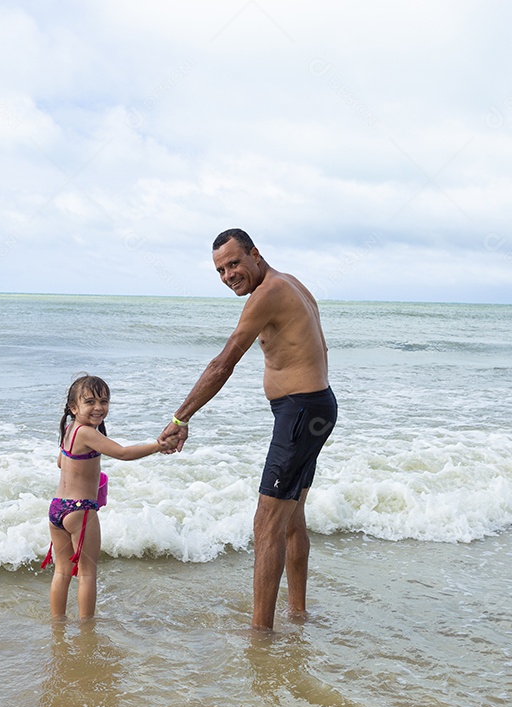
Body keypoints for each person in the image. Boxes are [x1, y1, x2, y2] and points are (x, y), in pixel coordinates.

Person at [158, 229, 337, 631]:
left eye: (234, 263)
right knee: (291, 518)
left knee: (266, 524)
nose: (228, 275)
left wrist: (180, 418)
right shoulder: (291, 283)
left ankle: (260, 634)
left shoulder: (267, 293)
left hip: (301, 411)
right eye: (220, 269)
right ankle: (297, 612)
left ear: (255, 254)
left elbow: (224, 363)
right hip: (316, 406)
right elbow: (319, 349)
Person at [44, 374, 176, 620]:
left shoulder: (69, 429)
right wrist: (157, 446)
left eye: (104, 401)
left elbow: (60, 462)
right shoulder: (86, 433)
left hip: (57, 508)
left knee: (62, 571)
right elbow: (123, 453)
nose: (99, 407)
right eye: (90, 402)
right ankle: (86, 629)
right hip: (80, 510)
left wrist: (85, 472)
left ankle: (57, 624)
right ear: (74, 407)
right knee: (86, 573)